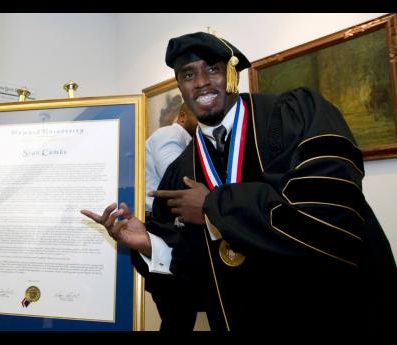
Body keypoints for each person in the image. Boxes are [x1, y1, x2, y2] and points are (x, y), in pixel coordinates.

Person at [81, 31, 397, 336]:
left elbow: (332, 211)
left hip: (332, 316)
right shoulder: (180, 171)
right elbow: (193, 273)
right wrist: (151, 244)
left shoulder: (292, 117)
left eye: (213, 70)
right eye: (188, 75)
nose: (202, 83)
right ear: (180, 87)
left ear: (232, 75)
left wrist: (213, 206)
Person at [145, 102, 197, 219]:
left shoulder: (187, 142)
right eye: (198, 115)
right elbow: (178, 179)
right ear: (183, 117)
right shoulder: (170, 133)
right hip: (154, 219)